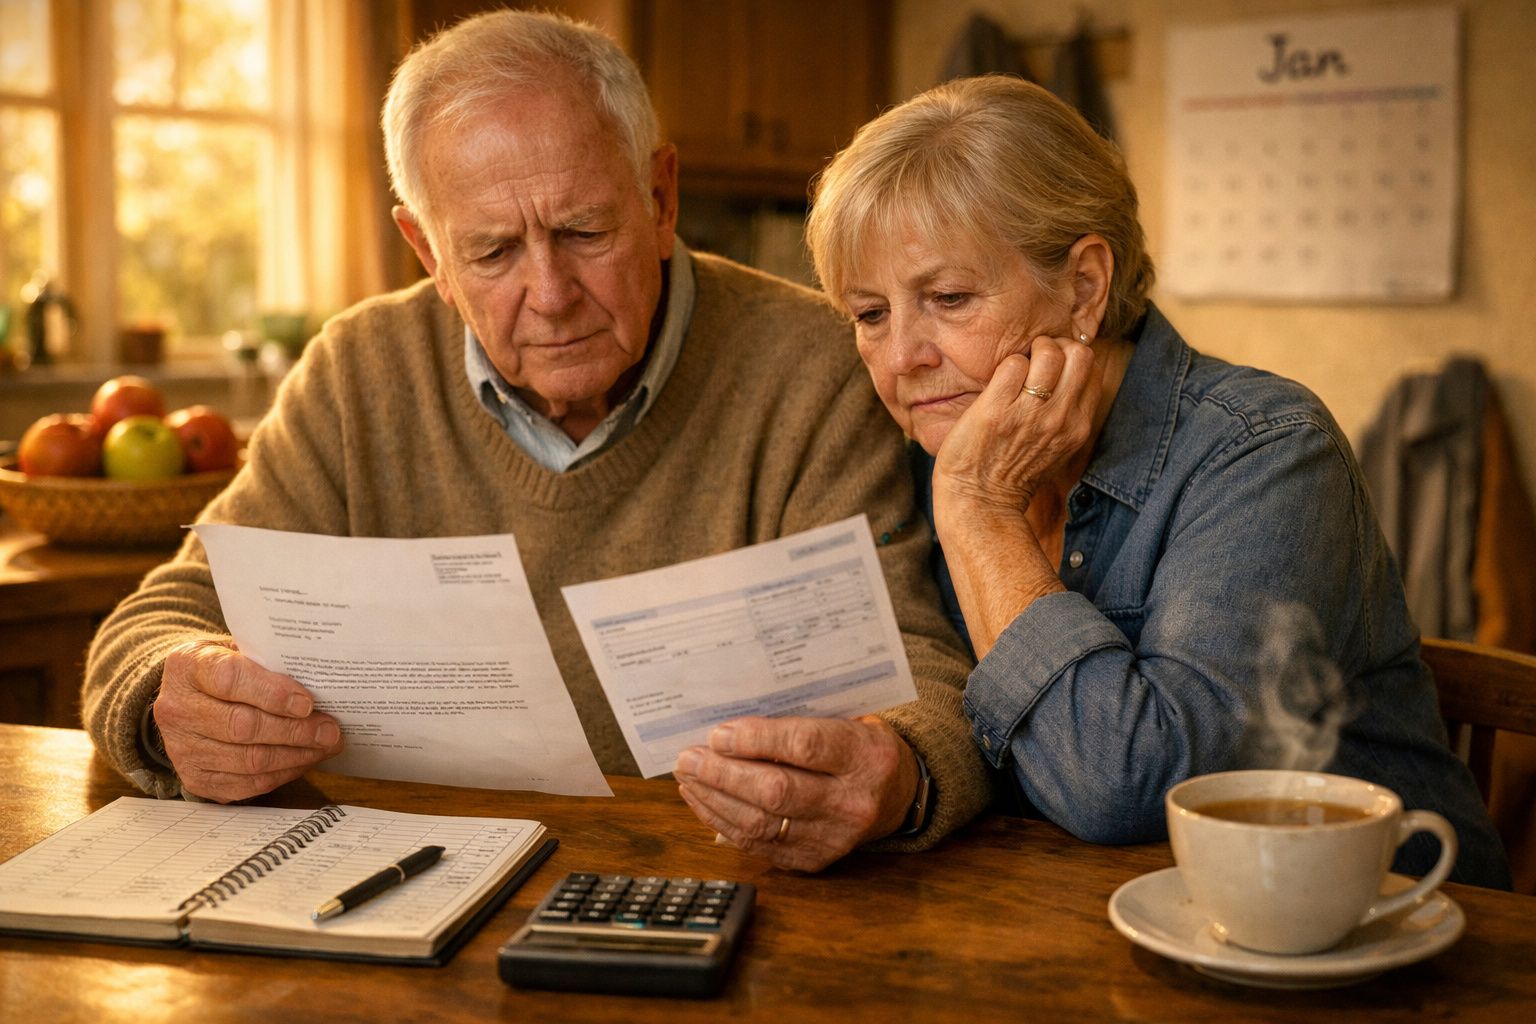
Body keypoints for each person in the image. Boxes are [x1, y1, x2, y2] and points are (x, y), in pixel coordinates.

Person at [82, 10, 989, 873]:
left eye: (583, 231)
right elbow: (161, 616)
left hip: (719, 885)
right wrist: (179, 698)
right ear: (427, 250)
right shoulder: (359, 371)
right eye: (492, 253)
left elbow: (930, 671)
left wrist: (896, 772)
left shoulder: (814, 366)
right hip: (402, 877)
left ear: (661, 197)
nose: (550, 294)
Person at [804, 74, 1510, 887]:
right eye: (870, 314)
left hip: (1378, 950)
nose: (901, 359)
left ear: (1085, 288)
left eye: (950, 298)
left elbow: (1126, 791)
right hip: (1077, 933)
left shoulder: (1268, 451)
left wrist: (978, 512)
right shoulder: (925, 451)